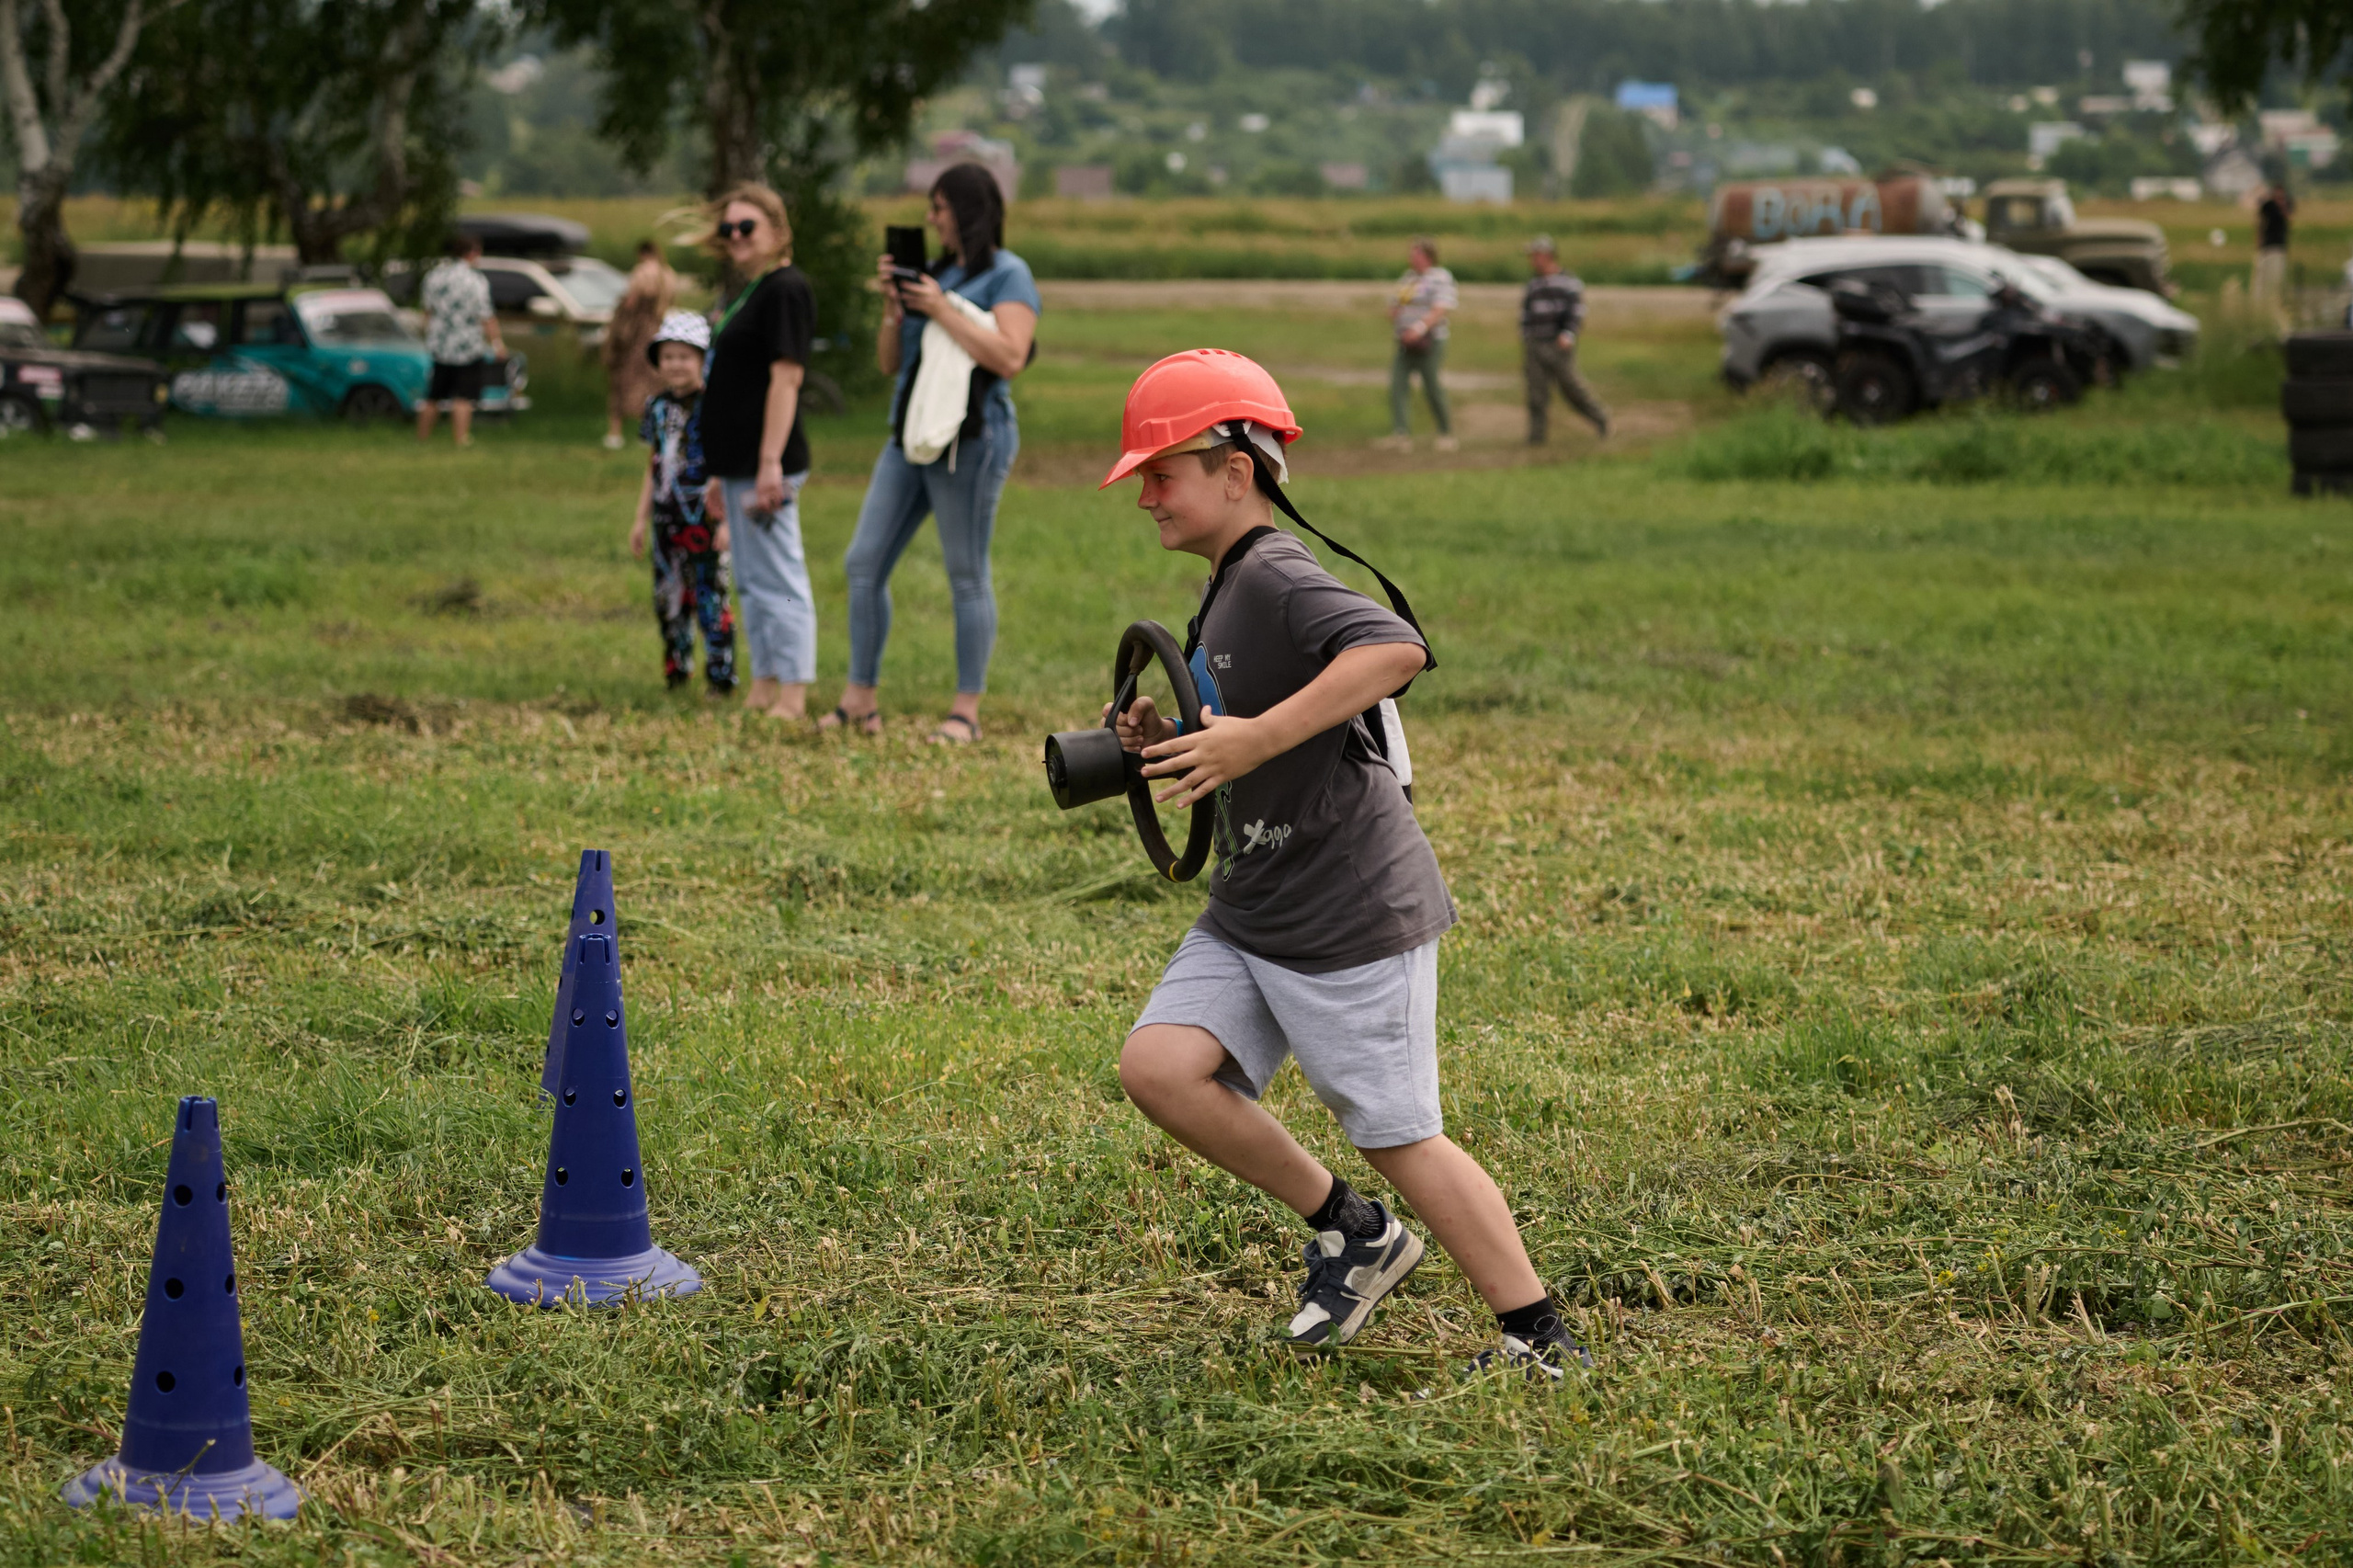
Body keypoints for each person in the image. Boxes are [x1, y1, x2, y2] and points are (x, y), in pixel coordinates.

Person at [1101, 348, 1589, 1379]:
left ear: (1237, 471)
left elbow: (1393, 649)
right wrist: (1173, 735)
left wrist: (1251, 738)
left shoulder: (1274, 571)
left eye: (1164, 470)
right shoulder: (1227, 585)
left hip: (1345, 911)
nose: (1146, 494)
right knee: (1157, 1066)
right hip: (1255, 901)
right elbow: (1236, 724)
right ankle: (1353, 1230)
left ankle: (1539, 1335)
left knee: (1399, 1132)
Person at [825, 163, 1040, 744]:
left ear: (966, 211)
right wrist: (896, 310)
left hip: (971, 442)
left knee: (965, 574)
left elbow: (1010, 356)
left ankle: (965, 712)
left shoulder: (1007, 275)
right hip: (909, 437)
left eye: (938, 208)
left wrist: (943, 308)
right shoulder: (933, 272)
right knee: (862, 564)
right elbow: (890, 363)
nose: (929, 218)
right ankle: (859, 700)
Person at [693, 184, 817, 721]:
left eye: (747, 227)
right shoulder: (752, 289)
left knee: (780, 578)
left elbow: (786, 379)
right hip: (738, 463)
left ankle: (793, 691)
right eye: (728, 229)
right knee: (750, 578)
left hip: (770, 461)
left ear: (777, 230)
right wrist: (722, 471)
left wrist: (770, 462)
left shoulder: (786, 288)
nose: (736, 237)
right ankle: (764, 680)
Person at [629, 310, 735, 696]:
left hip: (706, 519)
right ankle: (677, 671)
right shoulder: (656, 408)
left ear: (702, 360)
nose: (675, 365)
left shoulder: (716, 405)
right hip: (666, 520)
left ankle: (721, 677)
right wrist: (640, 520)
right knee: (669, 599)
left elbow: (726, 466)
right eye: (668, 356)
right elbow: (653, 465)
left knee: (710, 596)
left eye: (685, 356)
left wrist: (726, 523)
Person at [415, 233, 505, 448]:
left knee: (433, 395)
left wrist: (427, 336)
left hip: (440, 345)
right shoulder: (475, 280)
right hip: (468, 346)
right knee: (464, 396)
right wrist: (497, 343)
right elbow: (486, 316)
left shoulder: (434, 276)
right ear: (473, 252)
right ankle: (461, 438)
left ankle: (422, 437)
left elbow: (427, 311)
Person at [1519, 235, 1608, 444]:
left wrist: (1568, 334)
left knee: (1572, 388)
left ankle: (1600, 418)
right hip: (1535, 343)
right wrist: (1525, 336)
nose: (1532, 260)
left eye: (1535, 256)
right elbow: (1525, 313)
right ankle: (1536, 437)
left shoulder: (1569, 282)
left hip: (1557, 344)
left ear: (1547, 256)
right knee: (1536, 393)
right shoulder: (1533, 284)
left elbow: (1576, 312)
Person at [1378, 237, 1457, 454]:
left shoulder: (1440, 277)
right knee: (1398, 385)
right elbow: (1395, 304)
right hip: (1405, 342)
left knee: (1432, 386)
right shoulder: (1408, 278)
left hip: (1430, 342)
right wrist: (1395, 313)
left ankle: (1445, 432)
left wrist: (1420, 327)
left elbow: (1441, 308)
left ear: (1428, 256)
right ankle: (1401, 433)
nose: (1412, 258)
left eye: (1416, 254)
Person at [603, 241, 676, 451]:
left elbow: (630, 302)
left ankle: (614, 433)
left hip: (637, 333)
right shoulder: (668, 273)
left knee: (622, 378)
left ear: (642, 253)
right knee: (655, 380)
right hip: (659, 330)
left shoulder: (642, 271)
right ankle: (651, 432)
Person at [2255, 181, 2295, 326]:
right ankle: (2261, 303)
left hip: (2280, 245)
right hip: (2267, 246)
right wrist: (2258, 239)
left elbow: (2289, 217)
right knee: (2263, 277)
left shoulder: (2286, 203)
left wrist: (2282, 205)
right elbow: (2260, 221)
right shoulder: (2268, 205)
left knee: (2277, 276)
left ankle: (2276, 301)